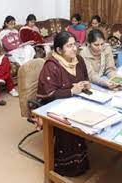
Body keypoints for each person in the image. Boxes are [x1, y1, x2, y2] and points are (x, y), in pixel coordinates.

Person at [37, 31, 90, 177]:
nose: (74, 48)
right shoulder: (51, 66)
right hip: (54, 105)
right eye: (69, 46)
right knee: (70, 126)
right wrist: (72, 91)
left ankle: (81, 161)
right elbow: (49, 94)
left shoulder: (78, 59)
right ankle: (65, 167)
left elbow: (85, 77)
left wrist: (85, 84)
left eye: (75, 44)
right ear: (59, 50)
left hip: (76, 101)